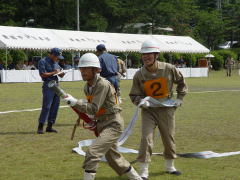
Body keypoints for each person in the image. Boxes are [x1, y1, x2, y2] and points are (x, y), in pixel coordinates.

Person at [62, 53, 142, 180]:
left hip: (113, 124)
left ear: (96, 69)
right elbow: (93, 108)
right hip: (101, 123)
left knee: (92, 152)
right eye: (81, 68)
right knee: (114, 159)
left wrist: (75, 102)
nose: (83, 71)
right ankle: (137, 178)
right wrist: (90, 117)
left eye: (86, 68)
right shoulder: (87, 86)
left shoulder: (102, 84)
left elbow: (93, 108)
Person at [129, 39, 187, 180]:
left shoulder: (169, 68)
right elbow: (134, 94)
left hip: (166, 109)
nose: (146, 57)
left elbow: (181, 82)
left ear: (156, 55)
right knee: (146, 138)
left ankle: (169, 166)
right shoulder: (139, 74)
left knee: (168, 137)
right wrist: (140, 102)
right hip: (148, 110)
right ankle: (144, 171)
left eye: (149, 54)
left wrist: (180, 98)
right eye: (143, 54)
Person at [37, 48, 65, 134]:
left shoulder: (56, 62)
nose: (58, 59)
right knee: (47, 107)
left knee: (55, 106)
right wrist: (53, 72)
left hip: (56, 85)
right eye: (57, 57)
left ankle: (50, 126)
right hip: (48, 86)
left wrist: (61, 73)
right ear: (52, 54)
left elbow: (60, 75)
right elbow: (42, 74)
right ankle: (40, 126)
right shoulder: (43, 61)